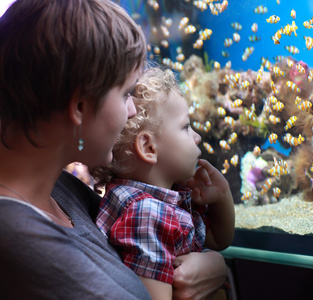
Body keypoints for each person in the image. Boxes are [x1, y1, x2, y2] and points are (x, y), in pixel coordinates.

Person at [0, 0, 228, 299]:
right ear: (80, 106)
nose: (133, 111)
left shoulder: (61, 189)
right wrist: (210, 272)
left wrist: (213, 267)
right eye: (125, 94)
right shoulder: (20, 239)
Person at [91, 66, 235, 300]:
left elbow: (220, 240)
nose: (197, 137)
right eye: (186, 127)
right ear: (149, 148)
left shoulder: (165, 198)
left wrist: (221, 194)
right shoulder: (146, 214)